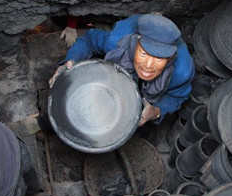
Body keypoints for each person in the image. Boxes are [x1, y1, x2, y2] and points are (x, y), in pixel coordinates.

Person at [49, 14, 195, 127]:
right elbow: (88, 40)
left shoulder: (181, 73)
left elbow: (177, 97)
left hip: (156, 87)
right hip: (124, 59)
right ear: (134, 45)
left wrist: (157, 111)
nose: (149, 65)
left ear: (170, 59)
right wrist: (71, 61)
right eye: (143, 54)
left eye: (159, 59)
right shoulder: (116, 42)